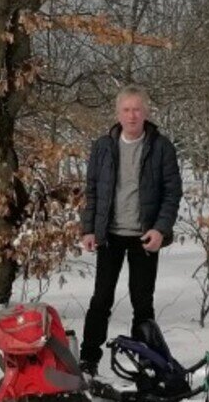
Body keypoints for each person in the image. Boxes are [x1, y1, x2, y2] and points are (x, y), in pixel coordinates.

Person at [78, 86, 184, 374]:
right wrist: (89, 229)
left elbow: (172, 193)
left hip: (144, 237)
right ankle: (88, 358)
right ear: (118, 114)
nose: (132, 115)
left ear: (146, 112)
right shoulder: (103, 146)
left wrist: (161, 229)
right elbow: (92, 190)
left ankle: (146, 359)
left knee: (142, 301)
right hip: (109, 236)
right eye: (126, 109)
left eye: (137, 109)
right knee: (101, 299)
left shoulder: (161, 146)